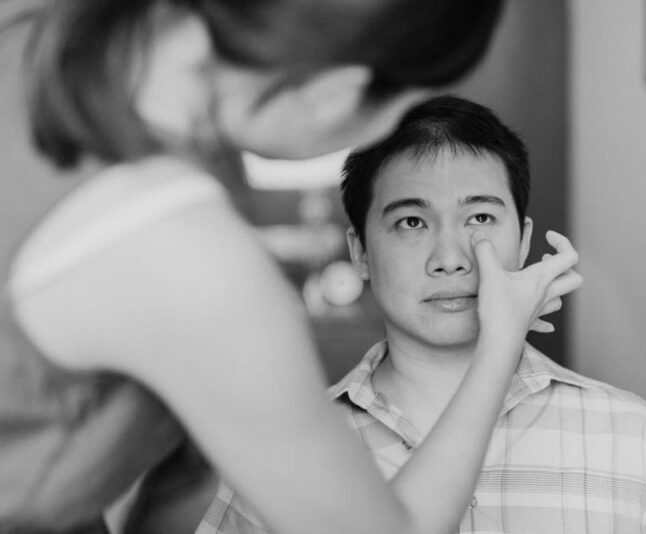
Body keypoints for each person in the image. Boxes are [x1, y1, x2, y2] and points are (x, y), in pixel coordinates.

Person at [0, 1, 585, 533]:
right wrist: (501, 341)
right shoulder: (187, 256)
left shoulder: (47, 42)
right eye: (398, 110)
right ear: (337, 90)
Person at [199, 95, 646, 534]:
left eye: (479, 216)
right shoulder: (283, 463)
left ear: (522, 242)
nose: (450, 258)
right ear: (360, 252)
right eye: (411, 222)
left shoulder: (634, 439)